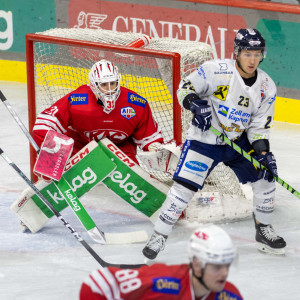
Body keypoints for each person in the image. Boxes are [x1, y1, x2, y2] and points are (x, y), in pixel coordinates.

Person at [143, 28, 286, 260]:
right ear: (237, 53)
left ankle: (264, 229)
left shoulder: (266, 86)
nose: (253, 59)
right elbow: (185, 88)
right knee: (183, 190)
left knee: (265, 177)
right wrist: (195, 104)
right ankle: (159, 235)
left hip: (237, 141)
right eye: (248, 53)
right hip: (204, 139)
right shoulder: (215, 71)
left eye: (257, 54)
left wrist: (263, 154)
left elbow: (259, 127)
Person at [32, 59, 163, 165]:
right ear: (94, 85)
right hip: (81, 148)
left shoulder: (136, 103)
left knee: (137, 180)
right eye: (104, 85)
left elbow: (149, 136)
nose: (110, 89)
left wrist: (155, 149)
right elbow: (44, 124)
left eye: (113, 83)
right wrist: (51, 152)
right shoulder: (78, 100)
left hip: (119, 150)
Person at [79, 224, 243, 299]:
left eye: (227, 264)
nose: (224, 273)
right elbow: (97, 283)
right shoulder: (164, 282)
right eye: (217, 266)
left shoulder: (230, 295)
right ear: (197, 265)